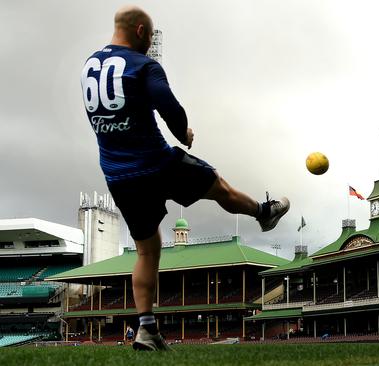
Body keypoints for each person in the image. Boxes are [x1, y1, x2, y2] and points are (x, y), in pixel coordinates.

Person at [80, 6, 289, 351]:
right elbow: (168, 105)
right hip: (157, 162)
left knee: (147, 251)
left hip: (118, 175)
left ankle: (146, 328)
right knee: (217, 185)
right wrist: (183, 132)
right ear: (143, 33)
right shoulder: (144, 65)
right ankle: (263, 214)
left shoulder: (89, 65)